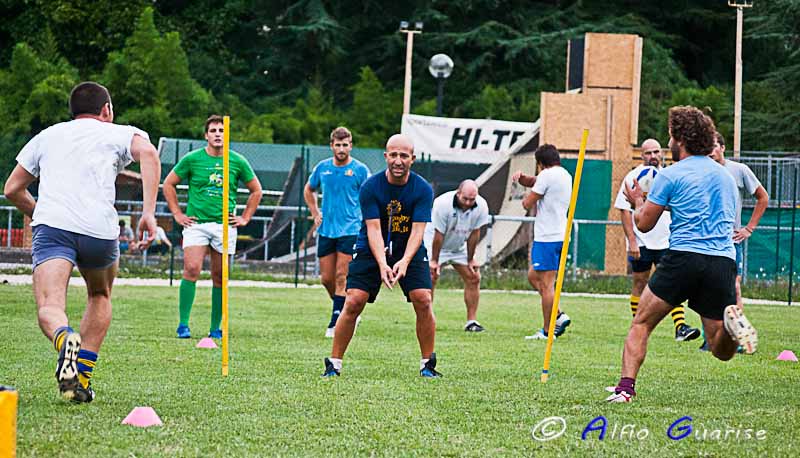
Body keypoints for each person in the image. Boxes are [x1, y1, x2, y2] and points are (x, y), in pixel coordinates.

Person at [3, 81, 160, 403]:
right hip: (99, 231)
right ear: (107, 110)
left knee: (50, 306)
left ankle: (64, 340)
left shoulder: (47, 135)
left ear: (72, 111)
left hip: (53, 229)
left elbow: (12, 189)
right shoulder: (117, 132)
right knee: (100, 294)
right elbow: (149, 154)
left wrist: (40, 212)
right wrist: (147, 213)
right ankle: (81, 380)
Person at [606, 106, 758, 403]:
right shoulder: (726, 177)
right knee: (718, 347)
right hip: (723, 261)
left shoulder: (671, 175)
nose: (669, 144)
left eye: (671, 138)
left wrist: (639, 200)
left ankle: (625, 389)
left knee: (641, 324)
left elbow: (644, 223)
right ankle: (732, 327)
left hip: (683, 257)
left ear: (681, 140)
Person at [322, 134, 439, 377]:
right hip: (370, 248)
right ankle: (334, 363)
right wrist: (383, 263)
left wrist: (405, 261)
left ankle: (427, 364)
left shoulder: (422, 189)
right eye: (393, 155)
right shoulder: (371, 187)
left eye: (404, 156)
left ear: (412, 159)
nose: (398, 161)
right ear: (386, 156)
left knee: (423, 299)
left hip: (409, 248)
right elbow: (373, 229)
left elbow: (418, 231)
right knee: (353, 300)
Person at [162, 115, 263, 339]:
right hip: (196, 225)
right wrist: (177, 213)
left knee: (220, 276)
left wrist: (245, 217)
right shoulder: (192, 159)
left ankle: (215, 328)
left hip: (224, 226)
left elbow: (257, 190)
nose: (218, 134)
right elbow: (168, 184)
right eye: (214, 130)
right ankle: (183, 325)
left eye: (222, 130)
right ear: (206, 135)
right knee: (192, 269)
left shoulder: (237, 161)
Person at [613, 139, 701, 342]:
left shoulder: (669, 175)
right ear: (641, 155)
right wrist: (632, 241)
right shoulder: (632, 177)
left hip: (666, 241)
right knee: (639, 282)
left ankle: (680, 327)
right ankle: (637, 327)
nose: (652, 156)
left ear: (662, 153)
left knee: (673, 282)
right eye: (648, 153)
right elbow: (624, 211)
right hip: (642, 241)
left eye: (656, 152)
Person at [700, 132, 769, 352]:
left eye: (714, 146)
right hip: (704, 241)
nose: (711, 151)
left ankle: (738, 336)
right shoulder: (701, 171)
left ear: (723, 147)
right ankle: (709, 337)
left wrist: (749, 228)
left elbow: (763, 197)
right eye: (706, 147)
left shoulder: (739, 171)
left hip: (729, 243)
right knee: (704, 289)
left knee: (733, 288)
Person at [304, 127, 370, 338]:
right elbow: (309, 189)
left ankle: (335, 322)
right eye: (338, 145)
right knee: (326, 278)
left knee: (342, 275)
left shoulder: (360, 170)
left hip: (350, 229)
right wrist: (315, 212)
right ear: (331, 145)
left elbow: (370, 194)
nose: (341, 149)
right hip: (327, 229)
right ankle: (345, 308)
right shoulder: (322, 168)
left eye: (345, 145)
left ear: (351, 146)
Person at [511, 144, 572, 340]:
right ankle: (559, 315)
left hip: (547, 236)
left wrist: (522, 194)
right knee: (532, 275)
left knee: (547, 286)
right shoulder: (564, 174)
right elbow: (534, 181)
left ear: (540, 163)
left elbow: (527, 202)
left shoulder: (546, 175)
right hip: (560, 235)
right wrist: (522, 178)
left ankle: (547, 331)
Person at [424, 179, 490, 332]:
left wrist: (470, 259)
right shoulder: (442, 204)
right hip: (434, 243)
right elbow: (438, 235)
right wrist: (434, 261)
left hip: (458, 246)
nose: (468, 203)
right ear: (458, 193)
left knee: (474, 277)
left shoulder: (481, 206)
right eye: (465, 198)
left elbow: (475, 234)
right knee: (430, 277)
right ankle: (427, 319)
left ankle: (471, 322)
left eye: (471, 199)